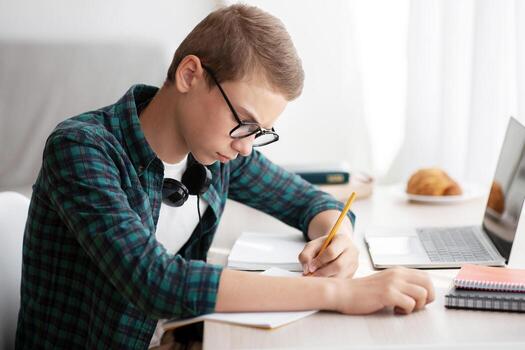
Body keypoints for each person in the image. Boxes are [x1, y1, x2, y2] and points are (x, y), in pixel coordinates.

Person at [15, 4, 434, 350]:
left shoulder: (217, 154)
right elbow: (154, 282)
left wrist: (335, 239)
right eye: (244, 123)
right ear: (190, 75)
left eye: (260, 132)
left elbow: (310, 202)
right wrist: (341, 294)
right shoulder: (82, 149)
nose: (247, 146)